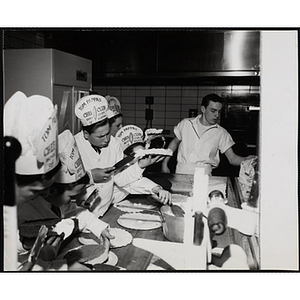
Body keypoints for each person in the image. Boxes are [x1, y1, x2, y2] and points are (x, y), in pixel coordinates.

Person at [74, 94, 164, 217]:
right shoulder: (73, 146)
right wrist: (90, 176)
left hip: (103, 213)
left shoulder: (114, 144)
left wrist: (140, 166)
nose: (106, 140)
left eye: (107, 133)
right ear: (85, 134)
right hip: (77, 215)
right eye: (100, 136)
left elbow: (120, 178)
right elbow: (61, 186)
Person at [161, 93, 257, 175]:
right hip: (181, 172)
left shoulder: (221, 133)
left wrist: (247, 160)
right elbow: (174, 142)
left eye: (219, 111)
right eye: (213, 111)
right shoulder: (186, 123)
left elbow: (232, 158)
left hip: (205, 176)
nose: (217, 115)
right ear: (203, 109)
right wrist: (164, 164)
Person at [113, 124, 172, 204]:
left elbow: (139, 182)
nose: (141, 159)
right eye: (138, 155)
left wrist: (157, 189)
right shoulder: (119, 167)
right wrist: (140, 166)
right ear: (126, 156)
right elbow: (123, 181)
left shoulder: (133, 166)